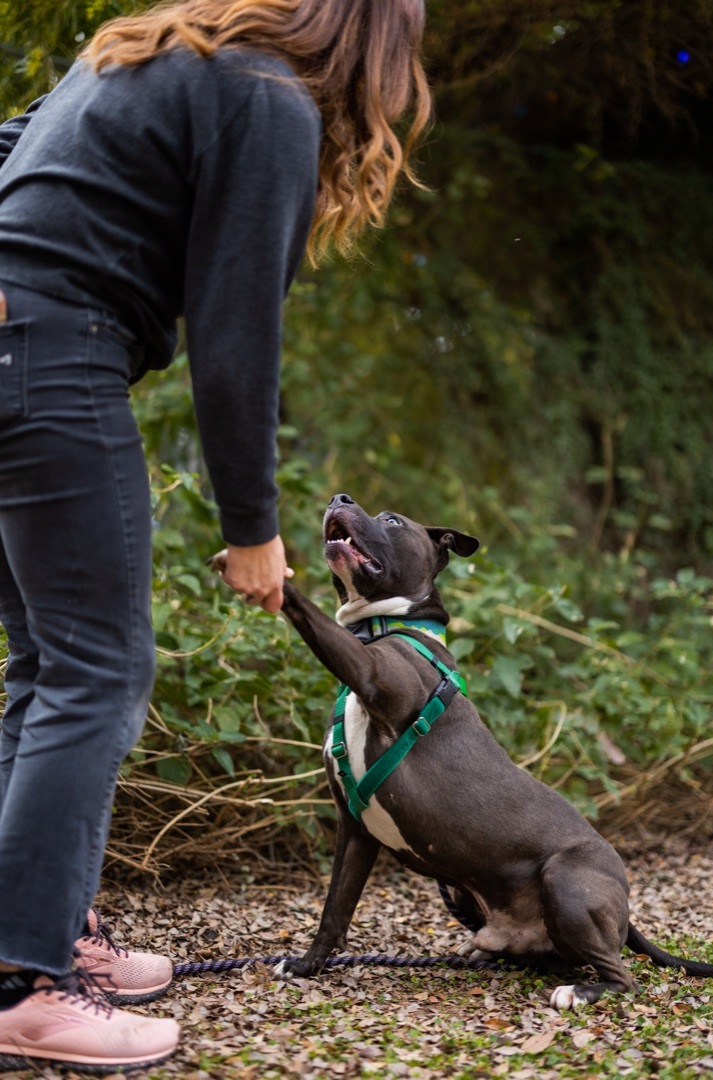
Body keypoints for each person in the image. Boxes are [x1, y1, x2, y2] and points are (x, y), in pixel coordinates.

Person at [0, 0, 431, 1070]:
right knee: (99, 671)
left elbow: (9, 145)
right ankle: (22, 984)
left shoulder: (152, 49)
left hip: (13, 337)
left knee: (48, 665)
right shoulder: (268, 97)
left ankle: (39, 935)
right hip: (55, 351)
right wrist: (254, 527)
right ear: (377, 40)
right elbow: (235, 331)